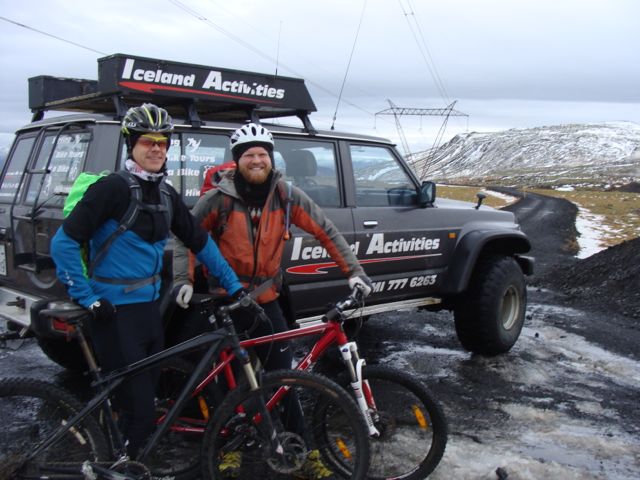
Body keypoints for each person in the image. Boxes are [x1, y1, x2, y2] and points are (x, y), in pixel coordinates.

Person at [172, 122, 372, 479]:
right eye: (249, 154)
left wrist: (353, 271)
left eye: (262, 154)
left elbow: (325, 230)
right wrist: (183, 279)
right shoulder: (218, 199)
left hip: (266, 301)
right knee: (227, 382)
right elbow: (186, 237)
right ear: (237, 160)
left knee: (285, 377)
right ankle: (228, 450)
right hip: (226, 302)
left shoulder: (287, 196)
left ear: (271, 158)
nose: (257, 160)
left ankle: (301, 450)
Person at [50, 103, 244, 458]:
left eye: (162, 142)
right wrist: (87, 297)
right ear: (132, 145)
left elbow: (200, 242)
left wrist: (234, 286)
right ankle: (122, 466)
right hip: (114, 314)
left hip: (150, 310)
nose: (156, 148)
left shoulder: (165, 193)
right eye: (147, 141)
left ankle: (119, 458)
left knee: (143, 403)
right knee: (139, 409)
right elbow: (63, 242)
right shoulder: (112, 188)